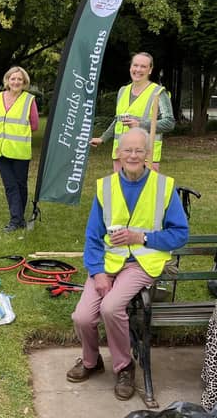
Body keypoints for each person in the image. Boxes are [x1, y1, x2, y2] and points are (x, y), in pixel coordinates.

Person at [66, 127, 188, 401]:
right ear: (118, 153)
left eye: (139, 150)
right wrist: (98, 273)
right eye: (127, 150)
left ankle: (124, 367)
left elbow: (180, 233)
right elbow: (93, 236)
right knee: (82, 316)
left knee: (111, 307)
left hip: (142, 263)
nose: (133, 155)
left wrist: (141, 237)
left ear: (148, 153)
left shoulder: (164, 186)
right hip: (109, 263)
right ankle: (91, 361)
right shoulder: (105, 186)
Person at [90, 52, 175, 172]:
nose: (138, 69)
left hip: (145, 156)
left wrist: (140, 125)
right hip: (121, 155)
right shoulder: (122, 91)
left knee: (145, 190)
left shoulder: (159, 93)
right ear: (130, 67)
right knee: (120, 189)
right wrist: (103, 138)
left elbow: (169, 123)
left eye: (143, 66)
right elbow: (118, 120)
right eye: (135, 65)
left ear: (150, 70)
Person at [0, 66, 39, 232]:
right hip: (1, 150)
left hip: (20, 150)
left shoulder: (29, 100)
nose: (16, 82)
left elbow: (35, 125)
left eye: (19, 79)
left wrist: (17, 132)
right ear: (7, 81)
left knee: (20, 185)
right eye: (13, 78)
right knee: (10, 186)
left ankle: (18, 219)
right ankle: (16, 219)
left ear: (24, 82)